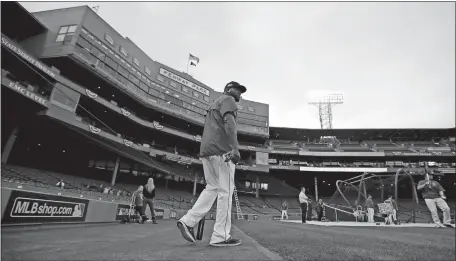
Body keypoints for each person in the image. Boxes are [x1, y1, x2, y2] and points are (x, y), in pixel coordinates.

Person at [177, 81, 246, 247]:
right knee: (225, 192)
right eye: (238, 90)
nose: (240, 94)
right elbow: (230, 124)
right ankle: (220, 236)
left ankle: (188, 221)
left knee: (212, 187)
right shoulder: (228, 99)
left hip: (207, 151)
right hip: (223, 151)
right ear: (229, 89)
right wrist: (235, 149)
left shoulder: (215, 103)